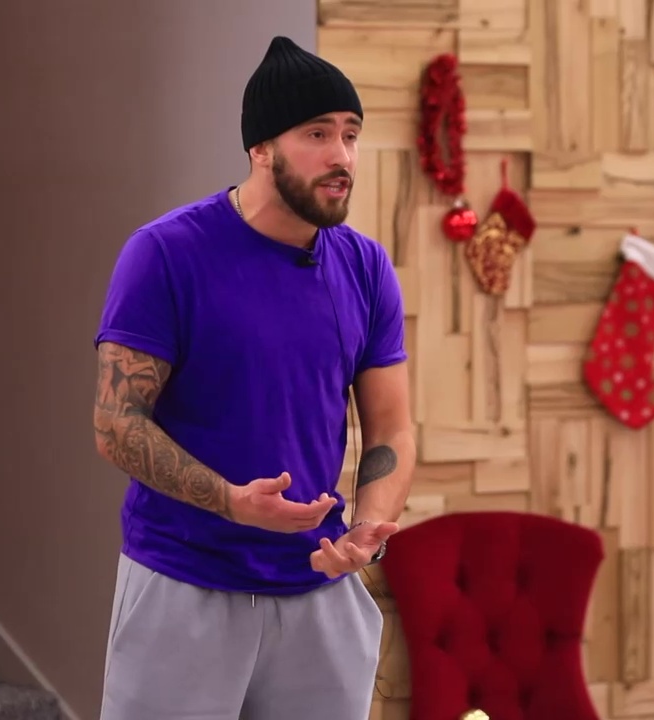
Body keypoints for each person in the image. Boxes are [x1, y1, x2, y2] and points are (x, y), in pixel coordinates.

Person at [91, 34, 416, 720]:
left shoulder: (365, 268)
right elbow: (117, 423)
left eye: (351, 135)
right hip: (184, 584)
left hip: (319, 589)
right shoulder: (165, 254)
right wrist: (232, 502)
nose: (341, 156)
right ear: (261, 147)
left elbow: (392, 428)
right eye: (317, 134)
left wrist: (366, 526)